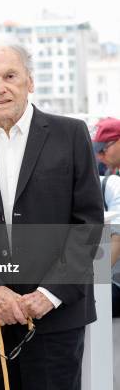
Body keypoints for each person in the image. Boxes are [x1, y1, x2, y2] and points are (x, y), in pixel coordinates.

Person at [0, 40, 103, 389]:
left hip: (57, 319)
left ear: (29, 82)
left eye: (9, 76)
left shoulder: (71, 135)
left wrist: (49, 294)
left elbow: (88, 225)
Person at [92, 117, 120, 317]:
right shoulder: (112, 172)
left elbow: (118, 237)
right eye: (97, 150)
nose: (100, 156)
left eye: (104, 149)